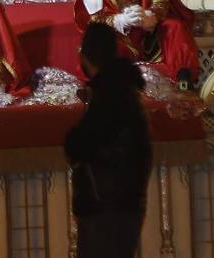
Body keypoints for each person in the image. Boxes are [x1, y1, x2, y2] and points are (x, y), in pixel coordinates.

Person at [65, 22, 152, 258]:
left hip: (105, 205)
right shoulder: (124, 90)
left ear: (87, 55)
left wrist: (74, 141)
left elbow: (85, 142)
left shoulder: (109, 94)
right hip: (124, 202)